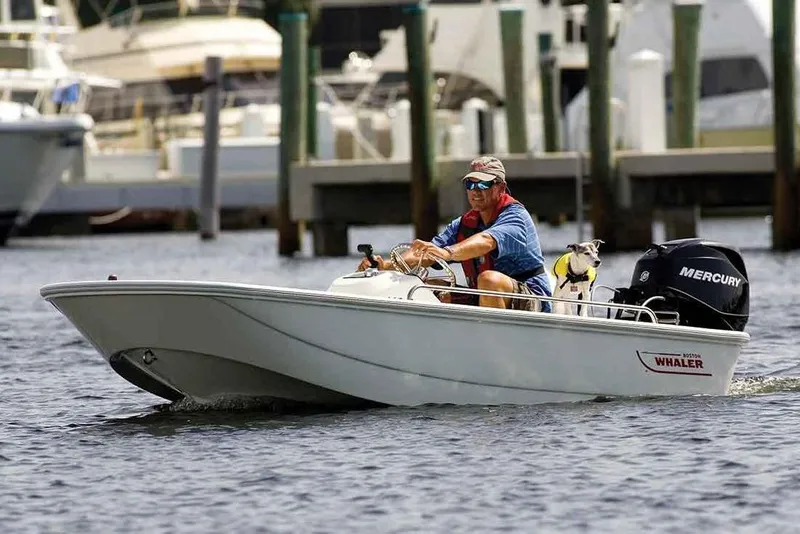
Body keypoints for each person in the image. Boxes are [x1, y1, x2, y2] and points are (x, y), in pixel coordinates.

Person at [356, 155, 553, 313]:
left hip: (533, 299)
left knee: (489, 280)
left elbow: (486, 241)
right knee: (426, 287)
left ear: (500, 187)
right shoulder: (464, 224)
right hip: (484, 296)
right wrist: (386, 265)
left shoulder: (516, 217)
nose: (475, 191)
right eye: (470, 185)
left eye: (483, 185)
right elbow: (425, 253)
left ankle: (496, 348)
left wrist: (447, 253)